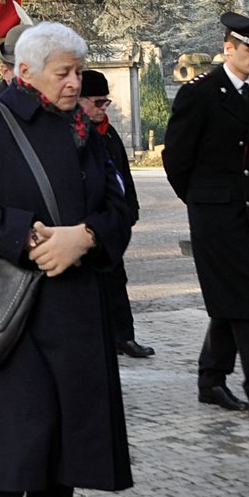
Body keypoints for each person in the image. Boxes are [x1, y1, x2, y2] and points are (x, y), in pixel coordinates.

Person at [0, 21, 134, 497]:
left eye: (78, 70)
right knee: (16, 443)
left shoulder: (84, 129)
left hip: (76, 309)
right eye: (65, 72)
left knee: (66, 445)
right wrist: (28, 236)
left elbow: (121, 207)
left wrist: (86, 237)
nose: (76, 82)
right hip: (11, 312)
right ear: (25, 71)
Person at [163, 11, 249, 420]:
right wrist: (200, 200)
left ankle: (211, 380)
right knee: (245, 297)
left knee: (237, 294)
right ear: (229, 48)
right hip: (214, 211)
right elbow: (177, 157)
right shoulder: (200, 92)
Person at [80, 70, 154, 360]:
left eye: (106, 103)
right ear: (81, 100)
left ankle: (124, 336)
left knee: (116, 278)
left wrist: (129, 209)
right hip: (85, 223)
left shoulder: (108, 132)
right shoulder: (71, 131)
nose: (103, 108)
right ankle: (96, 340)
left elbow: (123, 173)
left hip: (111, 221)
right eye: (98, 103)